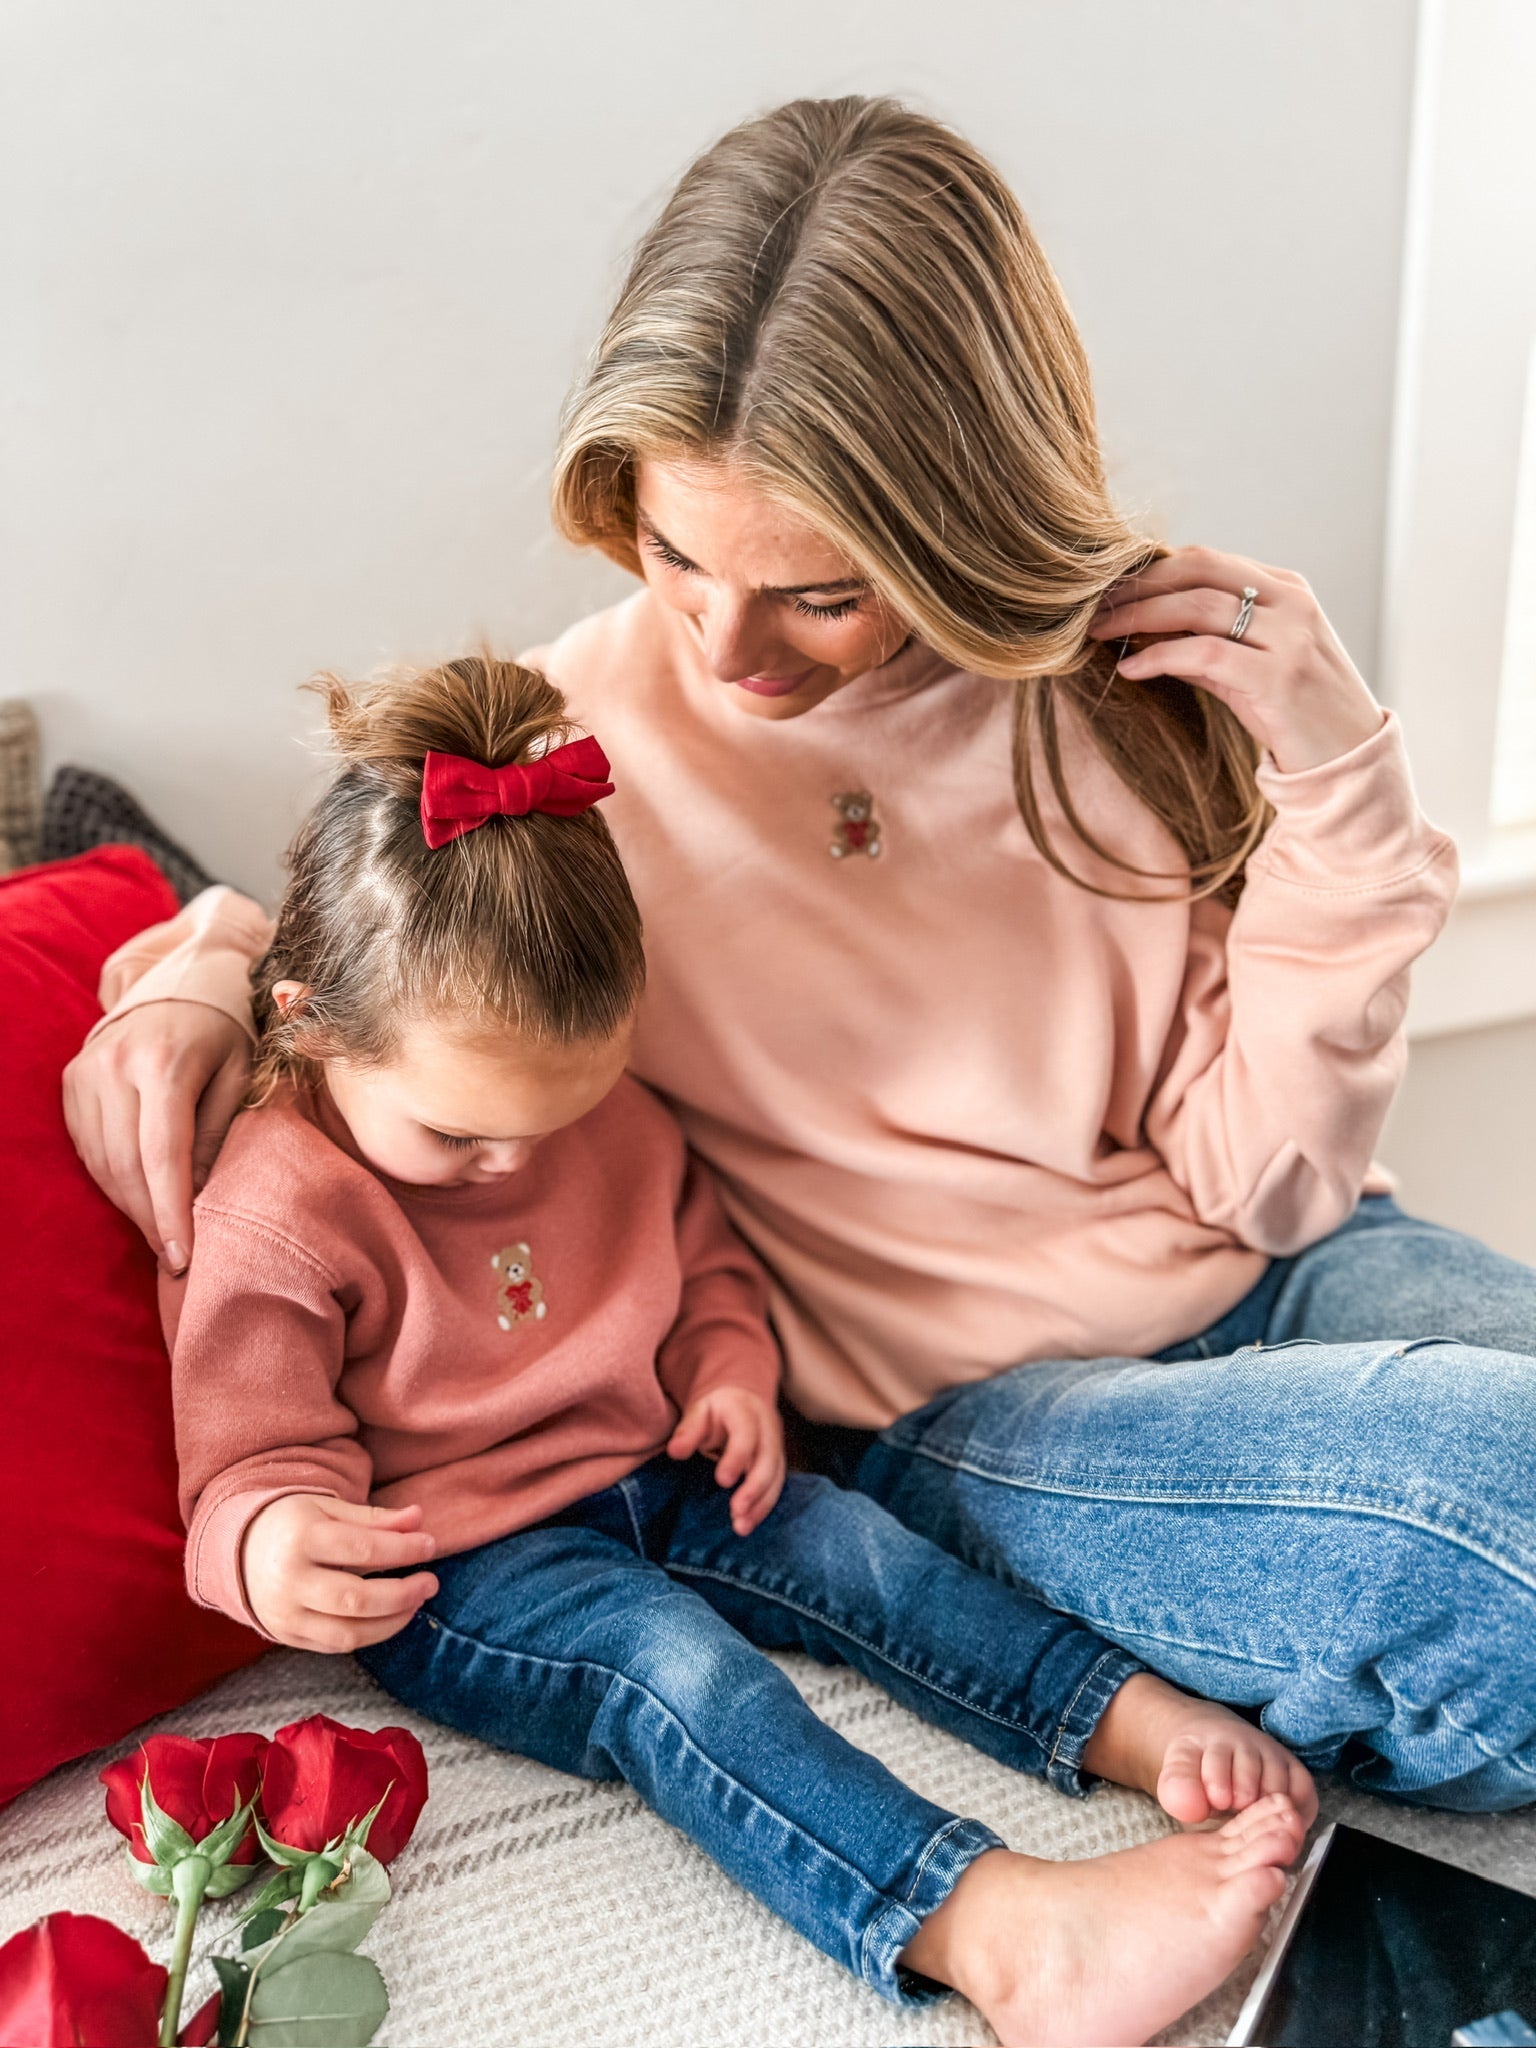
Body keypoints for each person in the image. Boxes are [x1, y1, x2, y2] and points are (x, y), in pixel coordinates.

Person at [67, 97, 1536, 1818]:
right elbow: (376, 957)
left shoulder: (1116, 703)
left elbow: (1270, 1189)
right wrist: (198, 963)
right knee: (1502, 1515)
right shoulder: (563, 749)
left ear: (957, 518)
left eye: (821, 594)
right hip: (971, 1411)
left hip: (1293, 1269)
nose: (724, 643)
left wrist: (1339, 786)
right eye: (675, 555)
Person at [169, 652, 1309, 2048]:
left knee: (862, 1551)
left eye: (555, 1116)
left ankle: (1119, 1715)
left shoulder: (600, 1116)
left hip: (659, 1466)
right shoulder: (276, 1214)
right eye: (460, 1135)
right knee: (677, 1671)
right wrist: (271, 1542)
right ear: (307, 1022)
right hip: (463, 1564)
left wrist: (728, 1369)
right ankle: (993, 1930)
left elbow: (698, 1250)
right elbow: (242, 1457)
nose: (515, 1164)